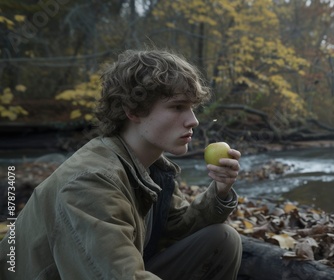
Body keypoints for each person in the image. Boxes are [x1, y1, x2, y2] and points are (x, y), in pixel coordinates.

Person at [0, 49, 243, 279]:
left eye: (192, 108)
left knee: (222, 240)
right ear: (133, 111)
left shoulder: (151, 167)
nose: (193, 121)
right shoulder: (90, 181)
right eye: (178, 107)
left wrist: (219, 191)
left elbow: (177, 229)